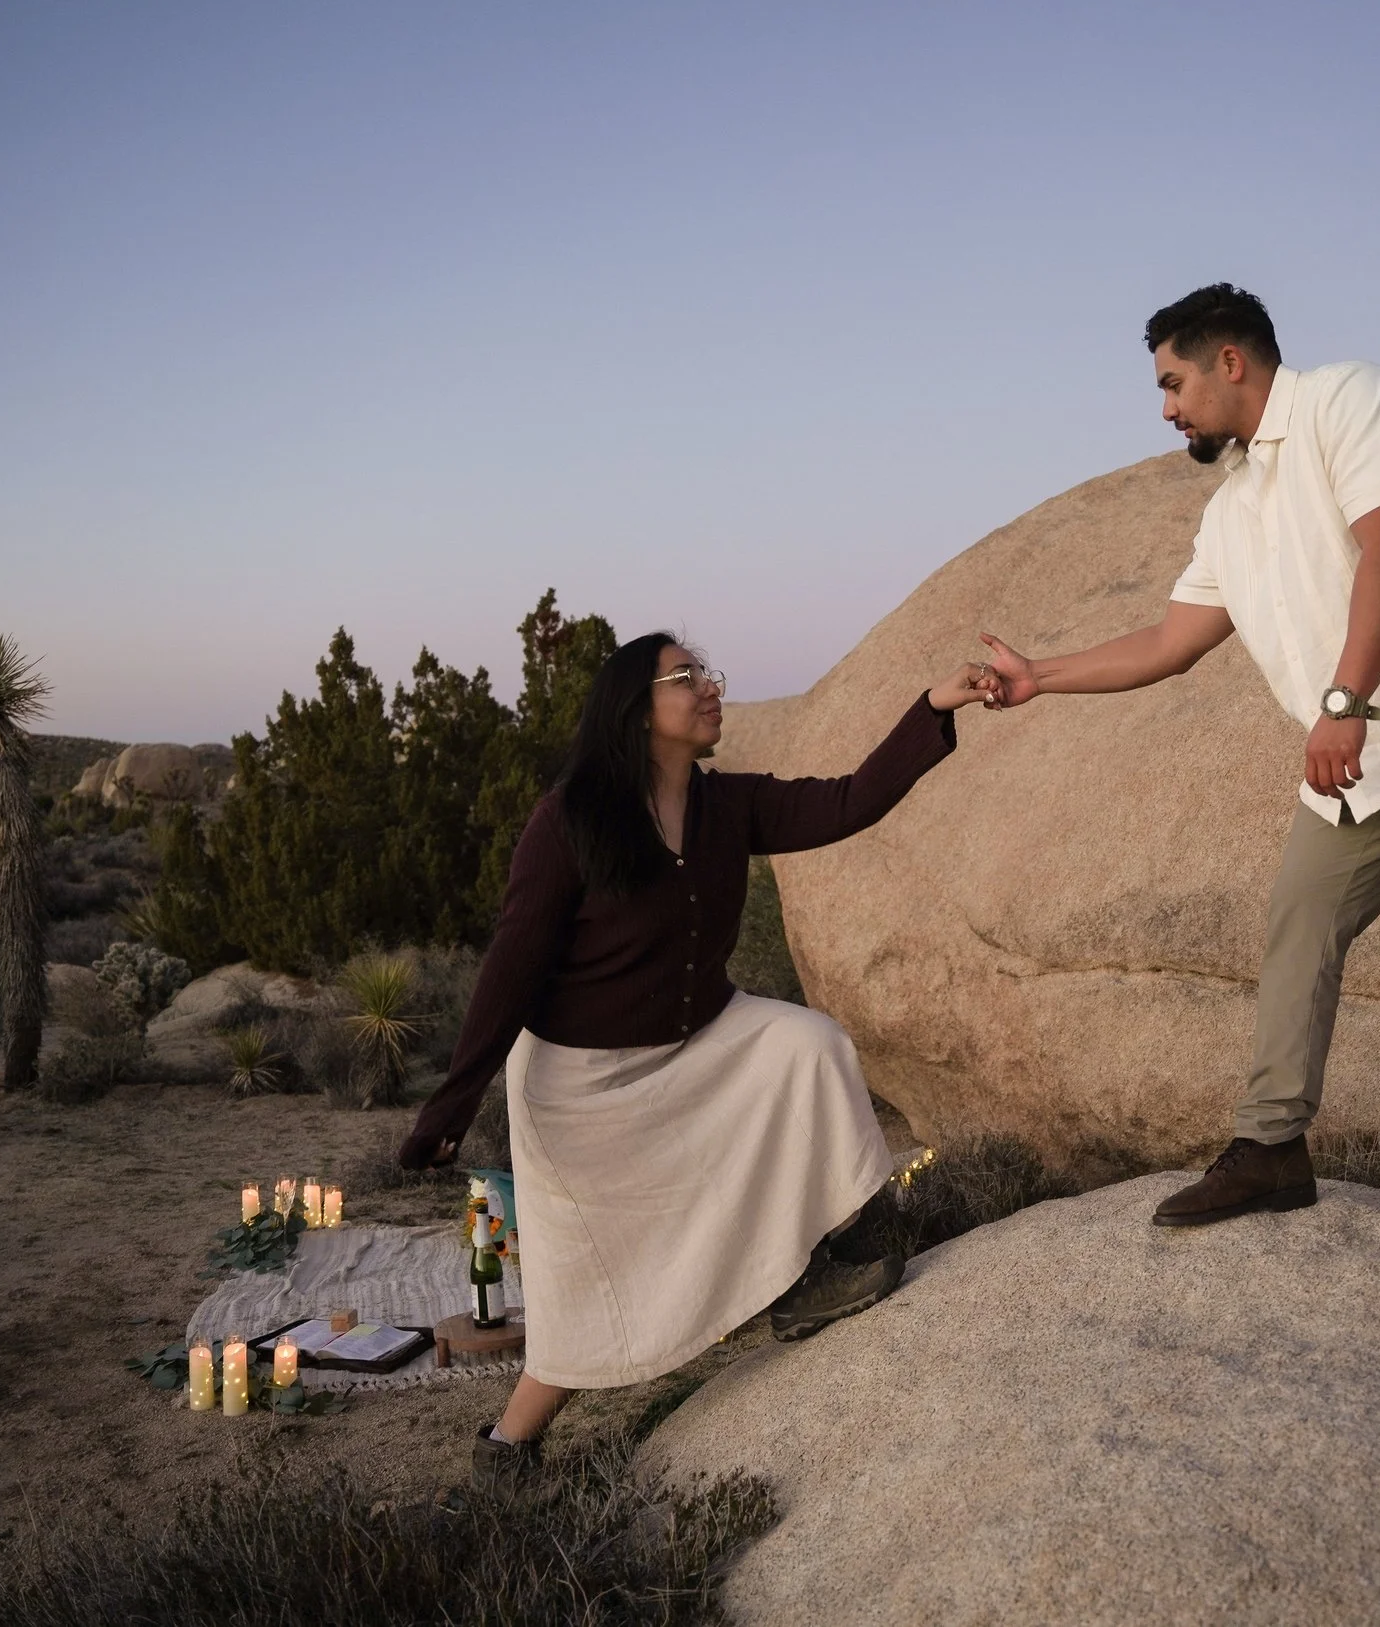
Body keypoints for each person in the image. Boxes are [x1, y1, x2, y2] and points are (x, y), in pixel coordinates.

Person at [977, 283, 1380, 1264]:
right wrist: (1039, 676)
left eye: (1171, 382)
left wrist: (1340, 703)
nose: (1166, 407)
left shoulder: (1352, 400)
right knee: (1301, 911)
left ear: (1229, 361)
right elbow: (1171, 640)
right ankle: (1270, 1148)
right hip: (1367, 747)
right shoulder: (1233, 508)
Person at [399, 631, 993, 1486]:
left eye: (706, 672)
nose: (711, 687)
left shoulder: (727, 807)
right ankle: (507, 1453)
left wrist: (934, 707)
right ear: (639, 712)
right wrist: (449, 1108)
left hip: (702, 1041)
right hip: (582, 1087)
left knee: (810, 1045)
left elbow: (850, 799)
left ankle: (820, 1266)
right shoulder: (572, 818)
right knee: (591, 1287)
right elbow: (509, 970)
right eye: (688, 677)